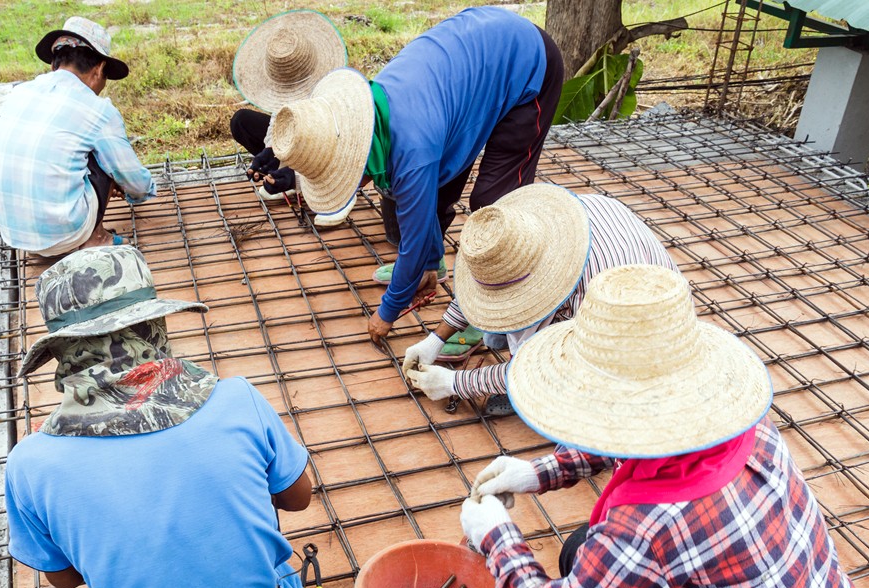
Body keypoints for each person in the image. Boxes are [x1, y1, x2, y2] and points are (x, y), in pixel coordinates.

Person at [459, 264, 862, 588]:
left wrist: (495, 535)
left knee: (587, 565)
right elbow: (639, 438)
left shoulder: (648, 528)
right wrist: (538, 473)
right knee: (585, 552)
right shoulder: (741, 422)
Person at [4, 246, 313, 588]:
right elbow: (299, 498)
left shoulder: (30, 465)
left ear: (64, 355)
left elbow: (63, 579)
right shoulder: (237, 400)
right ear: (156, 326)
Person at [269, 7, 564, 342]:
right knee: (438, 191)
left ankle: (486, 314)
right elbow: (424, 214)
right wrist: (428, 262)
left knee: (495, 207)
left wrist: (386, 313)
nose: (356, 186)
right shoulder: (370, 108)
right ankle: (432, 268)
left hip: (529, 64)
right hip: (477, 62)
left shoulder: (413, 151)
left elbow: (413, 241)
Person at [400, 183, 676, 414]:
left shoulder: (593, 300)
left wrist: (456, 383)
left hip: (647, 332)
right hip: (614, 272)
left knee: (574, 390)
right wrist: (435, 339)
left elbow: (544, 367)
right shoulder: (541, 229)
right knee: (500, 331)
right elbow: (487, 284)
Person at [0, 17, 155, 257]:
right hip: (64, 235)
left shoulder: (19, 93)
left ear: (55, 65)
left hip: (13, 234)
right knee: (105, 157)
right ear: (99, 70)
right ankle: (96, 238)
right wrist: (137, 189)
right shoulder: (97, 110)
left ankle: (45, 241)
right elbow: (134, 180)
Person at [228, 10, 352, 226]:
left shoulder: (336, 92)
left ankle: (313, 184)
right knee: (241, 121)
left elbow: (341, 150)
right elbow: (280, 118)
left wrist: (297, 176)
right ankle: (282, 172)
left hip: (327, 148)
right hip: (299, 138)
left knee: (314, 163)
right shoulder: (283, 87)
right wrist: (271, 150)